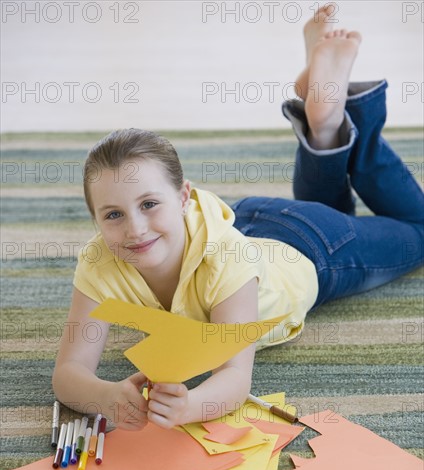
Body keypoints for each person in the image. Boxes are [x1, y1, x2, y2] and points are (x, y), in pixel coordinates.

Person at [52, 5, 424, 431]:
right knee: (338, 210)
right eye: (113, 214)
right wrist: (104, 394)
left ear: (184, 196)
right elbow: (68, 374)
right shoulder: (99, 259)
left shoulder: (224, 259)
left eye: (149, 204)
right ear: (95, 221)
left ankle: (342, 117)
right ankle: (323, 125)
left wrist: (188, 407)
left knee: (418, 228)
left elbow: (233, 377)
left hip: (313, 247)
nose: (134, 229)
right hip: (250, 220)